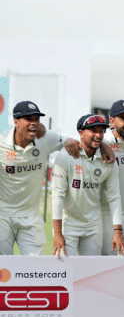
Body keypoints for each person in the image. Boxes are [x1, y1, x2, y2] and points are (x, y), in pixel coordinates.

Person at [0, 101, 101, 255]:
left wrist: (104, 146)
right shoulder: (1, 142)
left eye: (36, 119)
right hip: (2, 216)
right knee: (3, 268)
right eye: (28, 119)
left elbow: (76, 141)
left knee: (37, 267)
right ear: (16, 121)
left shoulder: (45, 139)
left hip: (31, 217)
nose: (33, 123)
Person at [52, 114, 124, 256]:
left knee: (91, 271)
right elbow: (57, 196)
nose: (98, 135)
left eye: (101, 131)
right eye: (93, 131)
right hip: (69, 223)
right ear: (81, 133)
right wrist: (57, 234)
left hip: (93, 224)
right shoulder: (65, 156)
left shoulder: (108, 158)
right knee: (65, 270)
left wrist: (118, 232)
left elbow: (114, 196)